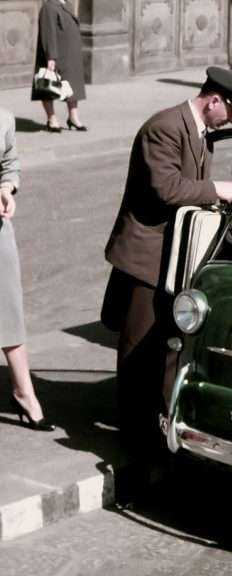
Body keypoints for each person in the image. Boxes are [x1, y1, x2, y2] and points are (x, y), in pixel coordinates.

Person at [101, 67, 232, 455]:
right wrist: (216, 189)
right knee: (138, 351)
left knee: (167, 345)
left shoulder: (201, 133)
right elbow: (166, 188)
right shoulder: (165, 127)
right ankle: (134, 437)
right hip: (145, 259)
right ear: (214, 100)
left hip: (171, 259)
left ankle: (158, 427)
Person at [1, 108, 55, 432]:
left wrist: (6, 188)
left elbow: (10, 165)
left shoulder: (4, 119)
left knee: (9, 308)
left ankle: (24, 392)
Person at [33, 0, 87, 132]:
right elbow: (48, 33)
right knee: (47, 86)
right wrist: (50, 57)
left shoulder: (66, 4)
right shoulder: (49, 7)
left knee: (73, 86)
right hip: (55, 55)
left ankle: (73, 117)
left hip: (69, 54)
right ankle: (52, 119)